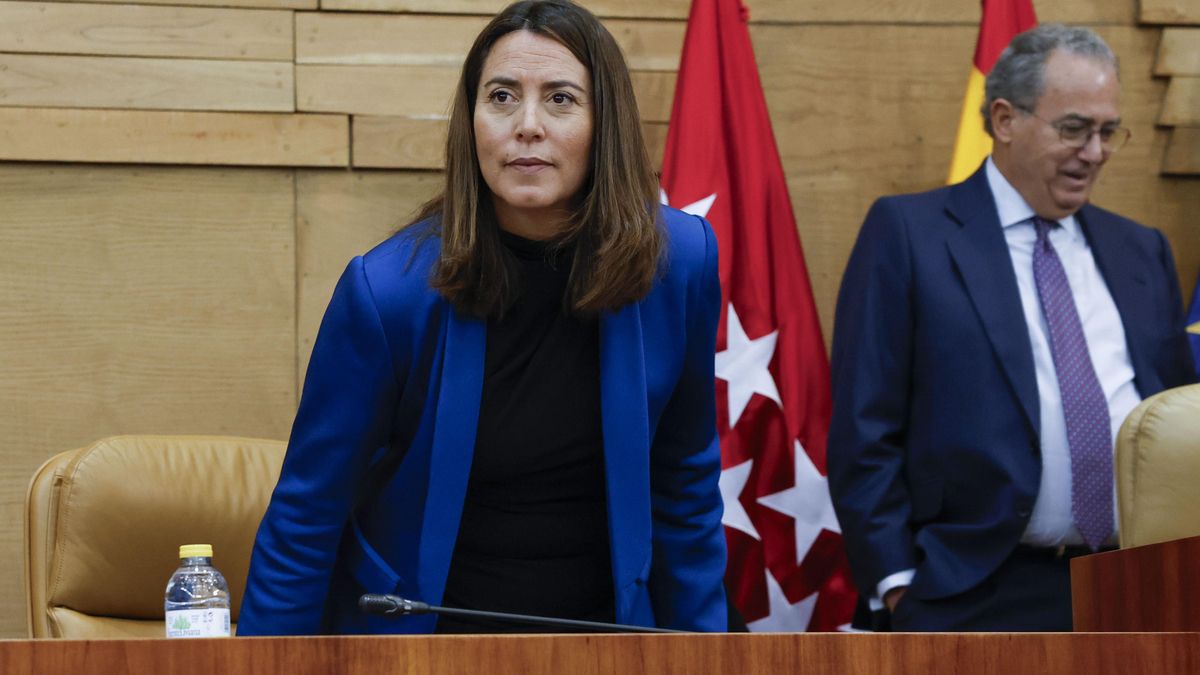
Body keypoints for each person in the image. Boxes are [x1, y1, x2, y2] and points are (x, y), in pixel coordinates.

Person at [237, 0, 726, 635]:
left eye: (560, 99)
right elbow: (308, 513)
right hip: (430, 641)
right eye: (501, 97)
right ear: (471, 122)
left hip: (610, 639)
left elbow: (684, 487)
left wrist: (705, 654)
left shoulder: (678, 264)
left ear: (605, 123)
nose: (527, 125)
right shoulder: (388, 293)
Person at [827, 23, 1196, 632]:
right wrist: (899, 587)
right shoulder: (911, 235)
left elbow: (1176, 421)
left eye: (1108, 132)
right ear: (1004, 120)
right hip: (971, 593)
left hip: (1134, 592)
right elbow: (865, 431)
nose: (1095, 152)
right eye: (1074, 129)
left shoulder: (1142, 252)